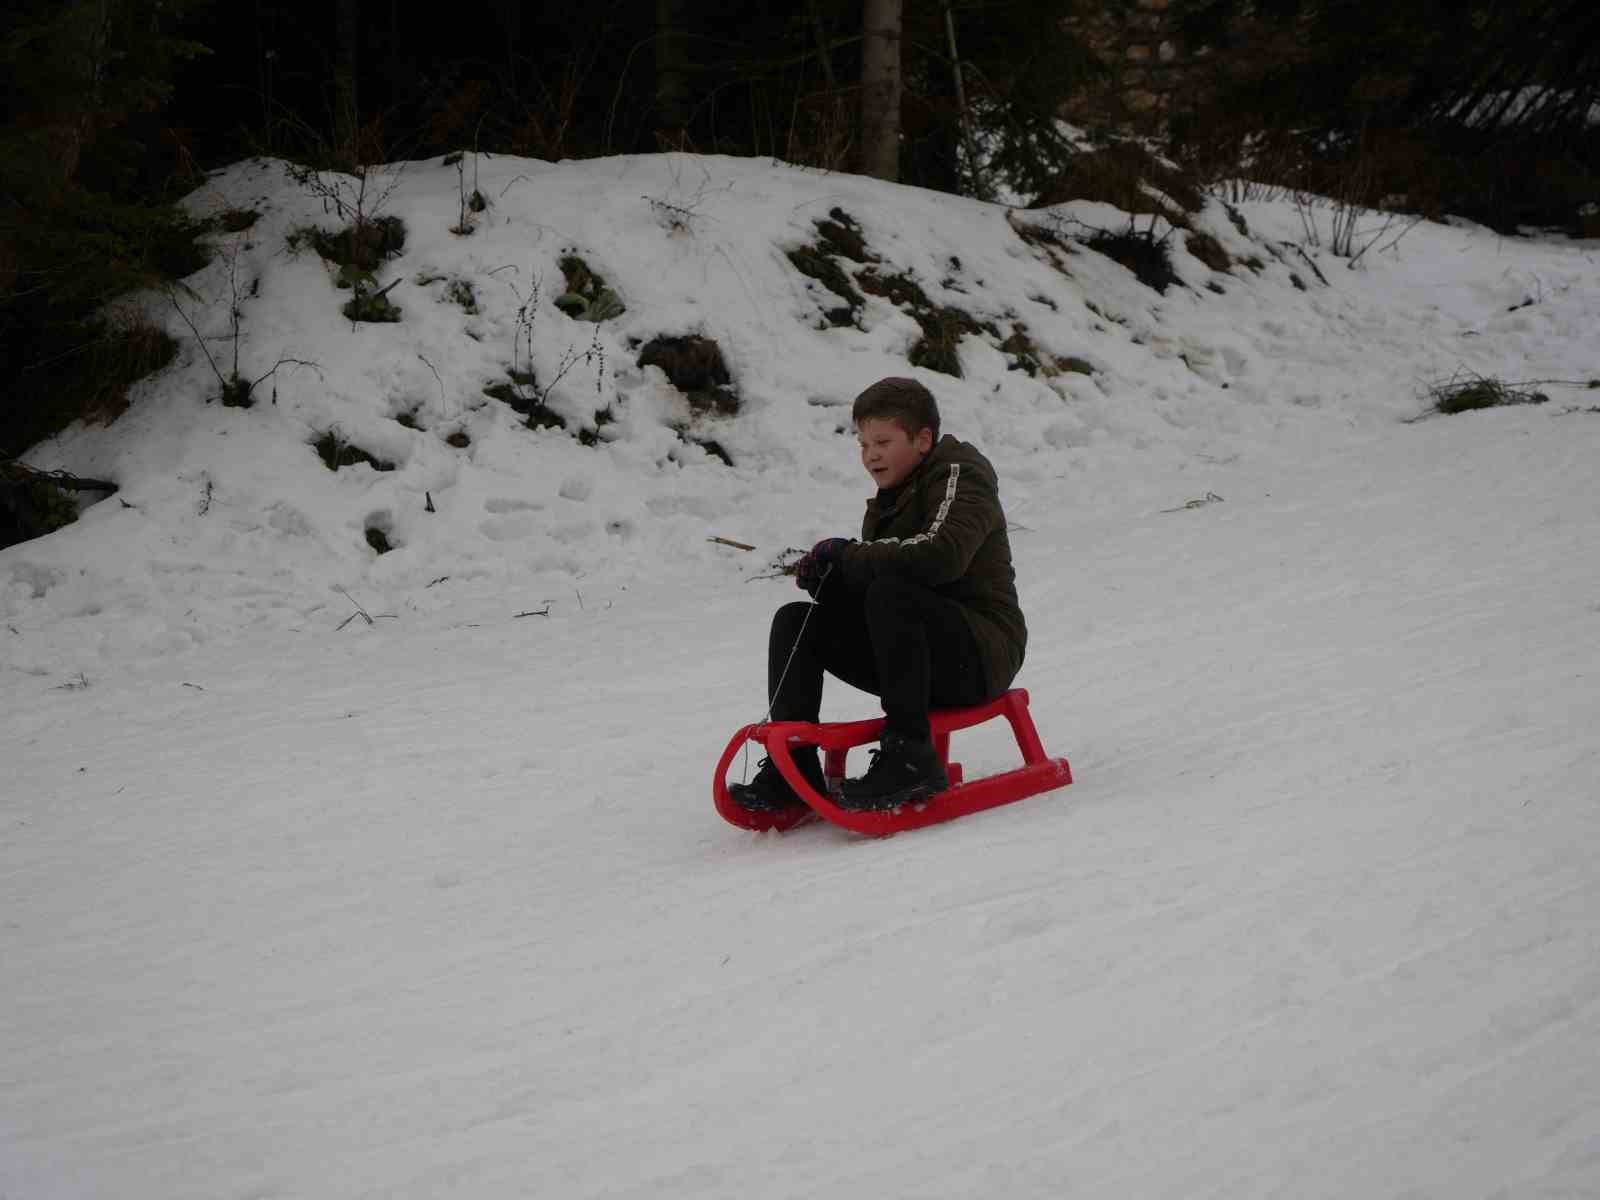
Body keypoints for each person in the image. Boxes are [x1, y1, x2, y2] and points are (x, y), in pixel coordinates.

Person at [730, 377, 1027, 813]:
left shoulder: (962, 477)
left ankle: (911, 758)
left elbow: (939, 557)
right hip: (919, 657)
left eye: (883, 441)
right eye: (863, 444)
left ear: (922, 439)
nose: (870, 455)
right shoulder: (890, 501)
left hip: (981, 653)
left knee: (893, 593)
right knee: (797, 620)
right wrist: (830, 579)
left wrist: (851, 557)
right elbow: (877, 582)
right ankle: (793, 765)